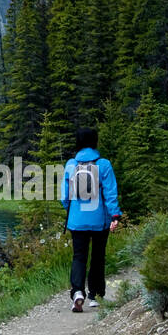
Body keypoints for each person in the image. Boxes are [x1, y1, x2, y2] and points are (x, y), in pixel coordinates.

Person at [60, 127, 122, 312]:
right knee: (97, 257)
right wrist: (115, 215)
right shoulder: (103, 164)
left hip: (76, 221)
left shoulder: (71, 164)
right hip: (99, 220)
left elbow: (64, 196)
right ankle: (95, 295)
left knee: (79, 256)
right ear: (95, 141)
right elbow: (110, 193)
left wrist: (71, 211)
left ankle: (77, 291)